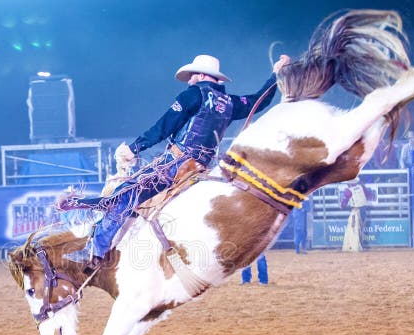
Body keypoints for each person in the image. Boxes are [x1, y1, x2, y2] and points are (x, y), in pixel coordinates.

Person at [71, 53, 290, 267]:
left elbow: (164, 126)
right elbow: (257, 102)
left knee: (126, 193)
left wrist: (134, 148)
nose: (190, 80)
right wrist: (275, 76)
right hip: (203, 168)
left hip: (176, 163)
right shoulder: (230, 102)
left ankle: (96, 251)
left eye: (192, 75)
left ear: (201, 75)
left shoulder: (193, 95)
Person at [339, 177, 376, 252]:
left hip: (355, 211)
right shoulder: (361, 187)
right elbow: (369, 195)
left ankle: (354, 246)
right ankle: (360, 245)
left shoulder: (348, 191)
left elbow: (344, 204)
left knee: (354, 229)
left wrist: (343, 205)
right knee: (360, 228)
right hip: (363, 209)